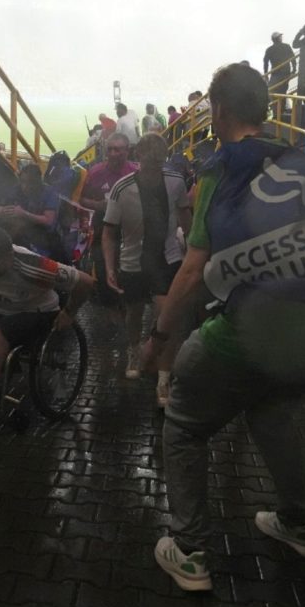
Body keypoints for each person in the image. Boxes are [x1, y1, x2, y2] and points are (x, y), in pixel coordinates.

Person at [146, 63, 305, 591]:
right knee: (270, 414)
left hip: (241, 337)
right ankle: (299, 523)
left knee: (184, 425)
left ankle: (191, 549)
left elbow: (194, 270)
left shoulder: (220, 172)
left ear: (219, 110)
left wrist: (159, 338)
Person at [0, 226, 94, 422]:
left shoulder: (34, 266)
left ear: (9, 257)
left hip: (38, 311)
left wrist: (69, 312)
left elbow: (87, 282)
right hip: (1, 307)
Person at [103, 132, 191, 404]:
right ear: (138, 157)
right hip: (133, 260)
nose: (154, 169)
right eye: (149, 163)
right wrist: (109, 267)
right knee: (135, 313)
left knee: (167, 316)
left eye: (158, 163)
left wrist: (192, 253)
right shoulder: (122, 188)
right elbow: (109, 231)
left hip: (167, 258)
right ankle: (133, 348)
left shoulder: (175, 182)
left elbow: (186, 219)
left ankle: (164, 377)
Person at [79, 132, 137, 305]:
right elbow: (82, 199)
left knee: (127, 270)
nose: (113, 154)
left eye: (118, 150)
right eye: (110, 149)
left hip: (129, 229)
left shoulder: (136, 173)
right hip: (102, 227)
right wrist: (98, 205)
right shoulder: (95, 172)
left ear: (127, 151)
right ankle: (110, 310)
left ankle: (127, 305)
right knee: (104, 268)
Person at [0, 162, 63, 260]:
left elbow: (48, 221)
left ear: (38, 182)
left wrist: (23, 214)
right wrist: (1, 211)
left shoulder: (49, 193)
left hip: (44, 238)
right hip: (22, 235)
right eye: (23, 182)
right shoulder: (16, 190)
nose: (25, 187)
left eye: (31, 183)